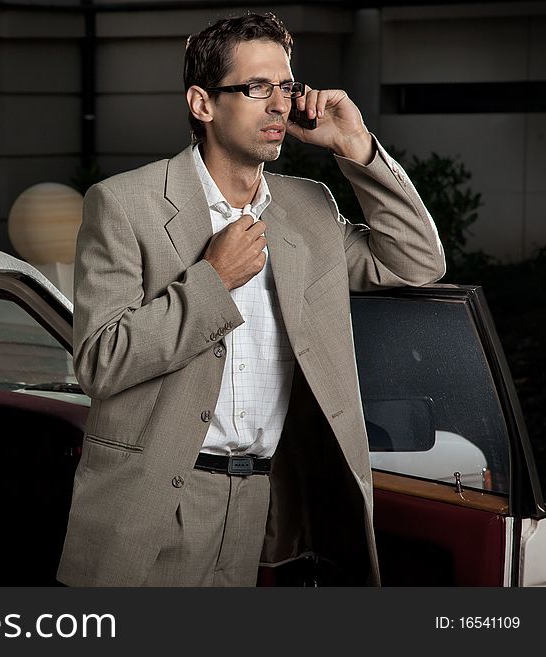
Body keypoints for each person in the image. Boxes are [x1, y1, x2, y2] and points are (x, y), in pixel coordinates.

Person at [57, 12, 444, 586]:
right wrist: (212, 281)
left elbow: (415, 261)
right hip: (151, 502)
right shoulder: (125, 204)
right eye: (256, 87)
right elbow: (101, 360)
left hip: (261, 501)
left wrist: (356, 148)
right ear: (203, 103)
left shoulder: (309, 209)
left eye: (285, 87)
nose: (279, 105)